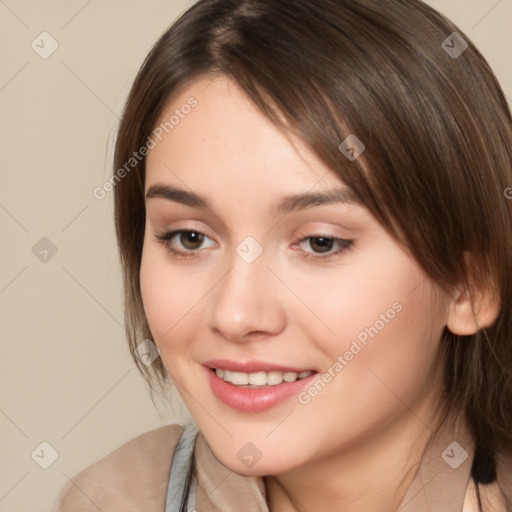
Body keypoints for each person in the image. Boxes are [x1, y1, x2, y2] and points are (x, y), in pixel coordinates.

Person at [52, 0, 512, 510]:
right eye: (189, 237)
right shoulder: (111, 499)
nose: (235, 314)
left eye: (320, 242)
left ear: (471, 284)